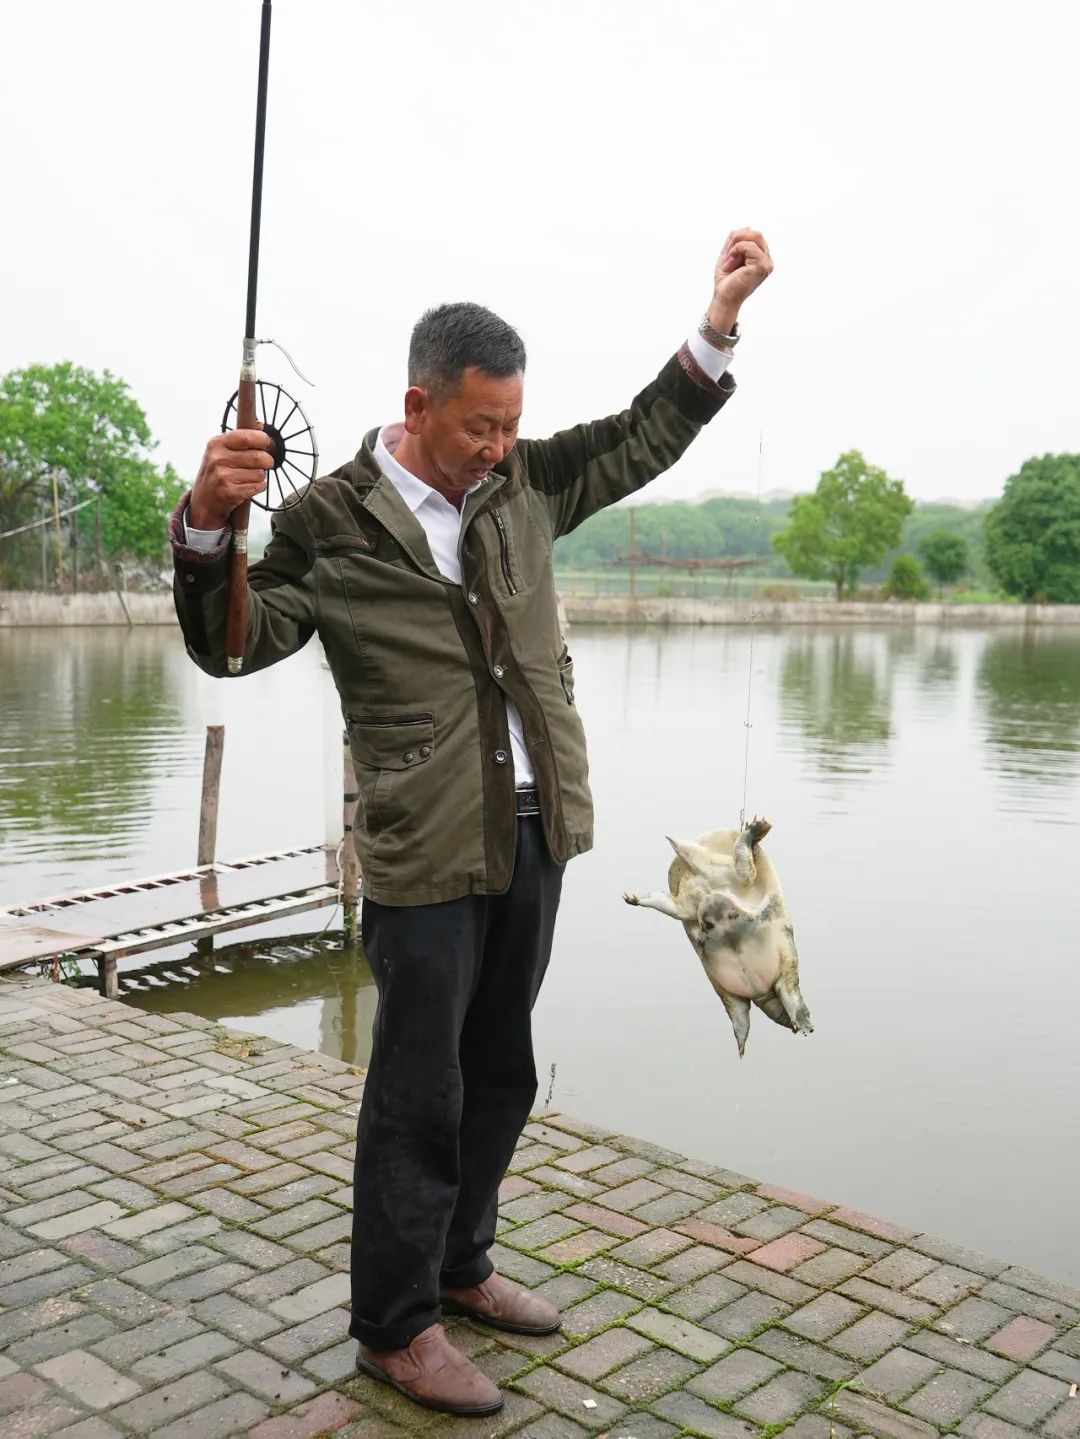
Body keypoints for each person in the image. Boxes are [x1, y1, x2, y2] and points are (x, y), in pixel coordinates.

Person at [170, 228, 773, 1417]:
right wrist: (205, 520)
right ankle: (395, 1324)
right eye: (478, 426)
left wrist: (718, 322)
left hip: (535, 828)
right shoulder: (330, 520)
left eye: (511, 423)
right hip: (424, 844)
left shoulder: (525, 484)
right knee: (418, 1089)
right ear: (418, 404)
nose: (498, 445)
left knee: (500, 1066)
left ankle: (461, 1264)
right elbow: (233, 641)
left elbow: (643, 433)